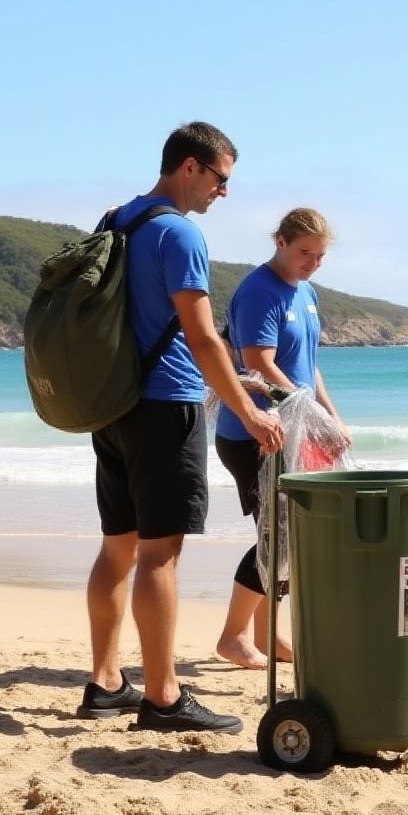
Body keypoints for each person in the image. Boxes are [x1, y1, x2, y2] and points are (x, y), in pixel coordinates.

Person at [76, 121, 284, 733]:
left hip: (113, 405)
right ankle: (163, 696)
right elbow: (196, 335)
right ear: (189, 168)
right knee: (160, 555)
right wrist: (247, 412)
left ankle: (105, 681)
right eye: (221, 178)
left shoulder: (119, 219)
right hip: (166, 409)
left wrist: (234, 380)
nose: (224, 192)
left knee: (118, 548)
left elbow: (157, 327)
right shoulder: (180, 234)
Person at [214, 207, 351, 670]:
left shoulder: (305, 292)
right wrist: (309, 412)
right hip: (255, 432)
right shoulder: (260, 291)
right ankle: (234, 637)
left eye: (320, 255)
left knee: (289, 535)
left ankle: (266, 636)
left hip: (295, 429)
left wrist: (331, 416)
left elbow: (308, 364)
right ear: (280, 242)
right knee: (278, 537)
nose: (311, 262)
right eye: (304, 253)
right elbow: (259, 364)